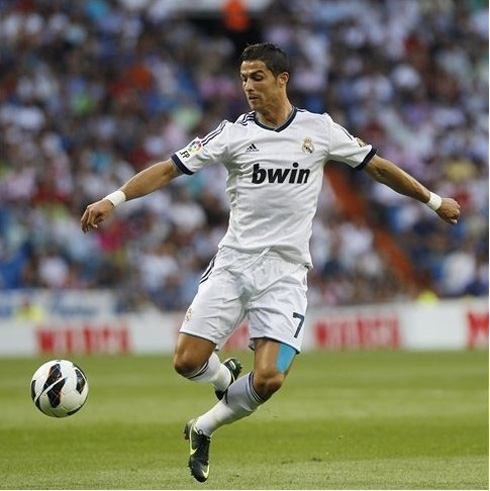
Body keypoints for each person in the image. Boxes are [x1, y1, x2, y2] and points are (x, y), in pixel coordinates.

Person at [81, 43, 461, 482]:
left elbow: (378, 168)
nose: (248, 86)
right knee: (186, 362)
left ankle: (204, 427)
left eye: (257, 76)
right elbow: (169, 168)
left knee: (269, 380)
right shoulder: (232, 134)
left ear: (283, 79)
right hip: (233, 264)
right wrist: (114, 199)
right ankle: (223, 379)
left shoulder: (320, 130)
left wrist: (433, 201)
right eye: (243, 78)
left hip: (285, 272)